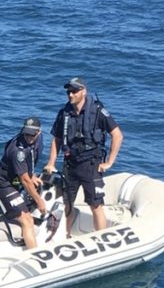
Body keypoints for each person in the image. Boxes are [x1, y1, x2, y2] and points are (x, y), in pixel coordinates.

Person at [42, 77, 123, 234]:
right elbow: (56, 140)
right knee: (68, 204)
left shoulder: (98, 111)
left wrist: (109, 162)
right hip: (70, 164)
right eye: (68, 92)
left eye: (74, 91)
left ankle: (102, 237)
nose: (70, 95)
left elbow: (117, 135)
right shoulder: (64, 113)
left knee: (95, 205)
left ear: (83, 92)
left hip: (91, 164)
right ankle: (65, 236)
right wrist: (51, 162)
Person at [0, 116, 47, 249]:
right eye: (25, 133)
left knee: (36, 189)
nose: (28, 137)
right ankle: (34, 254)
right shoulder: (17, 151)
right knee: (28, 220)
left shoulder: (39, 139)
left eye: (32, 135)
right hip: (3, 185)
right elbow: (25, 180)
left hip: (17, 182)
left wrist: (31, 175)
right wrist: (39, 201)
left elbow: (32, 160)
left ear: (39, 132)